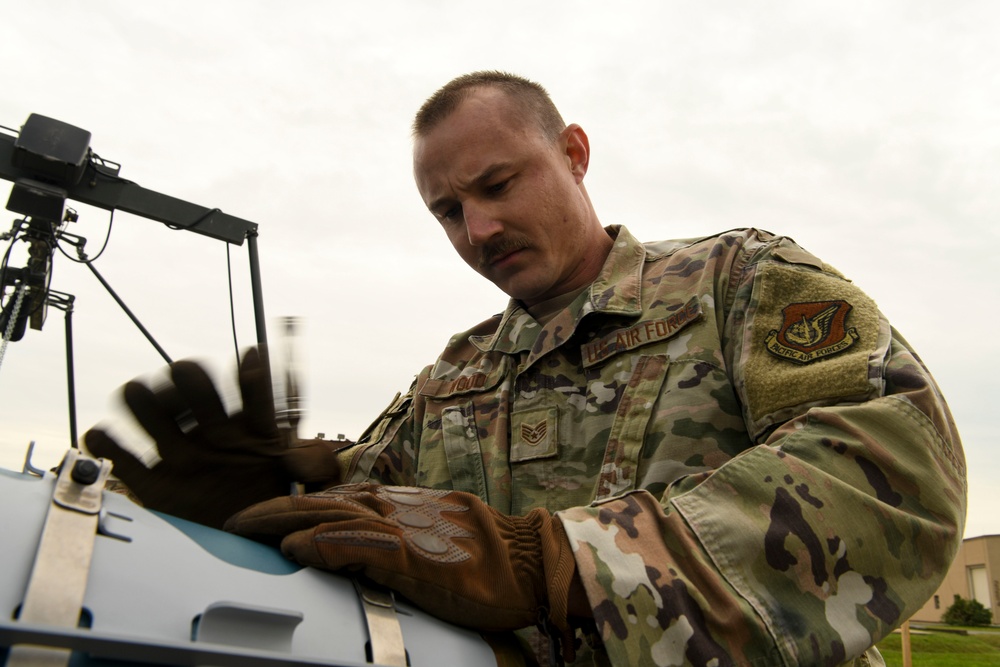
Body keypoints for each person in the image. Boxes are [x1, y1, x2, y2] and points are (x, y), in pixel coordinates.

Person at [86, 71, 967, 666]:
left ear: (574, 154)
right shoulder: (456, 374)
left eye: (498, 185)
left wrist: (557, 564)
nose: (478, 231)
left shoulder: (736, 284)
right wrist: (249, 506)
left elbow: (891, 469)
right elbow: (370, 518)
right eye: (447, 211)